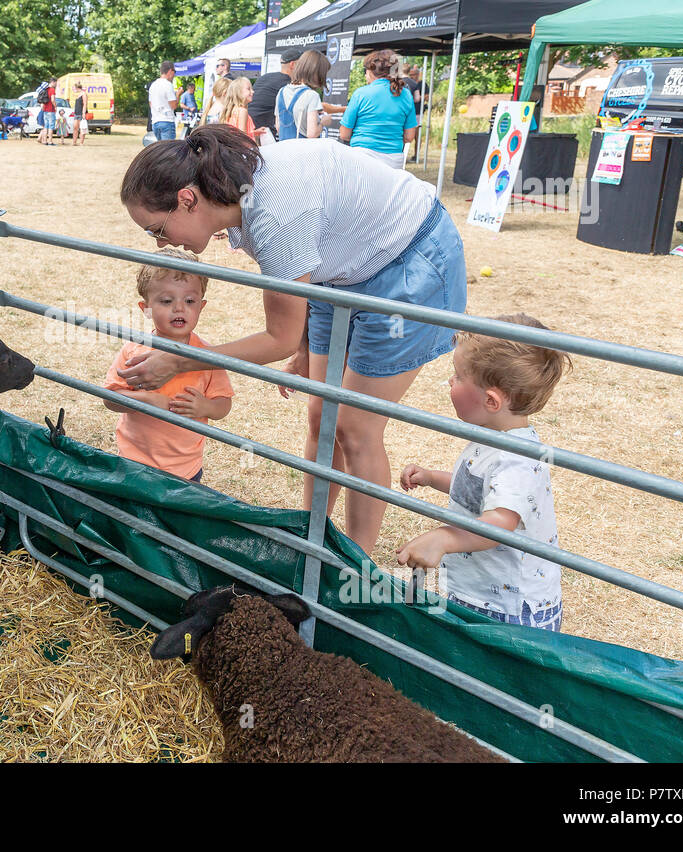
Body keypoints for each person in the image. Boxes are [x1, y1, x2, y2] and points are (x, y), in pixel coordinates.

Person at [118, 126, 467, 552]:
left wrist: (178, 360)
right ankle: (313, 533)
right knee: (321, 415)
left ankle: (354, 565)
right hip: (338, 270)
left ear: (188, 200)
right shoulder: (241, 199)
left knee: (355, 426)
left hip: (406, 263)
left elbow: (277, 337)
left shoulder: (274, 217)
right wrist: (304, 346)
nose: (161, 242)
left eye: (156, 228)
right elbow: (303, 280)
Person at [397, 314, 572, 631]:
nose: (451, 381)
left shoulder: (517, 458)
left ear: (491, 400)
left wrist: (443, 539)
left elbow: (500, 523)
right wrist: (432, 477)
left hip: (511, 609)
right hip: (480, 592)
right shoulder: (492, 439)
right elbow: (483, 495)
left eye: (458, 376)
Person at [102, 250, 233, 483]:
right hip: (133, 461)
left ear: (201, 306)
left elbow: (223, 404)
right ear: (146, 308)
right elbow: (110, 398)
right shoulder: (134, 351)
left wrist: (205, 407)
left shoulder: (206, 357)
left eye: (189, 301)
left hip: (185, 468)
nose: (179, 308)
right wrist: (148, 402)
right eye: (166, 300)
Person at [340, 49, 419, 169]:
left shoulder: (361, 94)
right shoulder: (406, 95)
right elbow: (409, 136)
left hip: (362, 157)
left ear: (370, 72)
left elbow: (344, 134)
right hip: (393, 159)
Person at [276, 50, 335, 141]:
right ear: (317, 73)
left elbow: (279, 127)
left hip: (283, 149)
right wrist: (323, 122)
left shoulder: (281, 92)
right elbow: (312, 133)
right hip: (303, 151)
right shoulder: (312, 95)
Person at [249, 48, 301, 139]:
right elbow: (305, 105)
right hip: (263, 132)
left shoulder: (265, 77)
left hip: (250, 127)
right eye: (302, 63)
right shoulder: (288, 84)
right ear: (293, 64)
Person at [217, 78, 266, 144]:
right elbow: (243, 137)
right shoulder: (242, 111)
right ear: (238, 92)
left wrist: (255, 132)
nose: (253, 91)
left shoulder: (231, 110)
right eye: (248, 89)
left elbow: (237, 133)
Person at [148, 61, 180, 141]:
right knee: (168, 151)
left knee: (161, 150)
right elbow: (174, 106)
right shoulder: (168, 85)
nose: (174, 75)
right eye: (174, 72)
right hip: (167, 121)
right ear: (170, 71)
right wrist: (178, 95)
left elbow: (150, 104)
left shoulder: (153, 85)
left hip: (155, 121)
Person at [39, 77, 58, 146]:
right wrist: (55, 106)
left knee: (45, 126)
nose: (56, 84)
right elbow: (52, 100)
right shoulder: (52, 89)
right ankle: (50, 141)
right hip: (51, 110)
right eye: (56, 83)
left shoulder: (45, 89)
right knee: (51, 126)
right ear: (53, 82)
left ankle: (44, 141)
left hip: (45, 110)